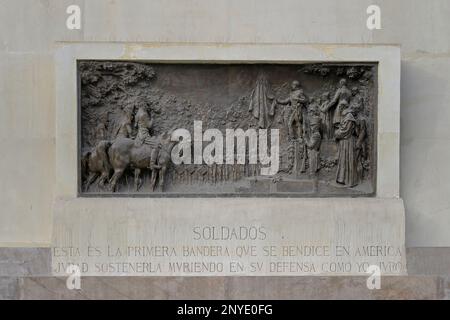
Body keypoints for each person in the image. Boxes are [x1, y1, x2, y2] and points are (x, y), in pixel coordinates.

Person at [335, 102, 358, 187]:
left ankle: (349, 180)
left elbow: (346, 130)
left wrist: (337, 133)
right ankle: (342, 179)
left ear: (344, 107)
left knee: (348, 159)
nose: (339, 108)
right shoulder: (346, 116)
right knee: (343, 159)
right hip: (344, 141)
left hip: (348, 141)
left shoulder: (349, 117)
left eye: (340, 106)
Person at [134, 104, 161, 170]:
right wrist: (152, 118)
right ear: (145, 107)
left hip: (139, 134)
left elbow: (135, 126)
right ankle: (152, 164)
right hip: (144, 135)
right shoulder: (144, 114)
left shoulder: (137, 114)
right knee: (156, 145)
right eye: (147, 107)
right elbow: (149, 126)